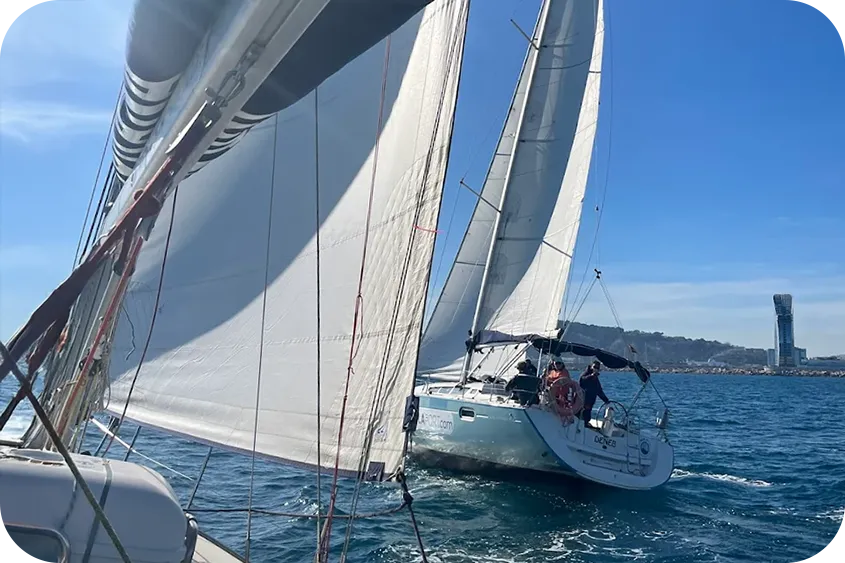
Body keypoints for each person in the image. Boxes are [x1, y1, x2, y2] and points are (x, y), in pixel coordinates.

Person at [579, 360, 609, 428]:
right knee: (583, 413)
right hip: (584, 399)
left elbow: (599, 391)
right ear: (591, 366)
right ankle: (583, 424)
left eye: (597, 368)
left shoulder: (596, 379)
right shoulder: (586, 374)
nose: (596, 369)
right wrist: (591, 376)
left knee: (588, 413)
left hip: (591, 401)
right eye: (594, 367)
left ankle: (586, 423)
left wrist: (606, 400)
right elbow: (582, 380)